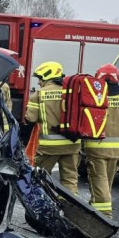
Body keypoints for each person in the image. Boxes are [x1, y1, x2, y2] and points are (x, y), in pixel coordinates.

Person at [82, 64, 119, 216]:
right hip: (116, 151)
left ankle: (104, 215)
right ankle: (94, 208)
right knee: (105, 184)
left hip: (96, 148)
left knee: (99, 182)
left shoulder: (94, 98)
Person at [24, 61, 80, 194]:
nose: (38, 82)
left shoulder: (39, 94)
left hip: (49, 147)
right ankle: (70, 210)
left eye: (40, 78)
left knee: (39, 178)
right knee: (70, 180)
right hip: (72, 144)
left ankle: (42, 209)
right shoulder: (73, 93)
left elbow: (30, 119)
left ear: (47, 76)